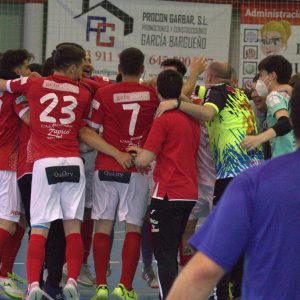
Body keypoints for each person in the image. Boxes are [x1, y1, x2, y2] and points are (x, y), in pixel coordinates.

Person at [0, 44, 132, 300]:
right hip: (73, 162)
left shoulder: (34, 86)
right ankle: (71, 278)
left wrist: (25, 79)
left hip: (44, 164)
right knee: (72, 227)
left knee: (39, 228)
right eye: (81, 65)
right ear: (72, 67)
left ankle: (34, 286)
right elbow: (85, 127)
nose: (83, 70)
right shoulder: (83, 92)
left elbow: (5, 85)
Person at [166, 78, 300, 300]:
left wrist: (180, 99)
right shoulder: (244, 98)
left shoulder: (254, 183)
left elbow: (204, 270)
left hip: (239, 173)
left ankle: (224, 292)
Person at [156, 60, 263, 299]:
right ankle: (238, 288)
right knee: (242, 234)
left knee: (223, 233)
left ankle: (222, 292)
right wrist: (189, 84)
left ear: (211, 77)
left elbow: (205, 112)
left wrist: (175, 102)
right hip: (253, 172)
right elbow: (185, 94)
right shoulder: (236, 93)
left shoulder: (216, 92)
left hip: (232, 173)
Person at [87, 47, 159, 300]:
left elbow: (89, 132)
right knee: (132, 229)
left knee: (103, 227)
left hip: (106, 167)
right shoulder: (152, 95)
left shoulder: (104, 94)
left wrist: (114, 152)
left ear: (118, 68)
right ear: (141, 69)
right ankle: (125, 287)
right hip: (137, 167)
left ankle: (101, 286)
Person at [131, 69, 199, 300]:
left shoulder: (163, 119)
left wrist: (133, 155)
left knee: (165, 255)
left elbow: (144, 159)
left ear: (157, 90)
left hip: (168, 193)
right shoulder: (192, 118)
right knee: (175, 250)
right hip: (189, 193)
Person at [0, 48, 33, 300]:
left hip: (9, 165)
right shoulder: (14, 96)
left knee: (19, 220)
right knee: (9, 223)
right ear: (17, 69)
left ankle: (6, 272)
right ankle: (3, 276)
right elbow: (32, 119)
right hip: (6, 165)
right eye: (25, 66)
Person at [241, 55, 295, 157]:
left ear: (272, 76)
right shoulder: (289, 95)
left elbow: (285, 123)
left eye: (261, 75)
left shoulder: (273, 96)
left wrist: (258, 138)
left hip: (283, 157)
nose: (259, 80)